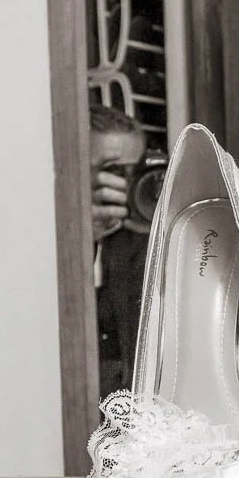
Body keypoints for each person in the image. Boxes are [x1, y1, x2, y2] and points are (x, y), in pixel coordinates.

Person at [89, 103, 148, 394]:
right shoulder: (47, 238)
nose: (124, 184)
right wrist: (84, 237)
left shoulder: (145, 241)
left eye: (132, 172)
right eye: (112, 170)